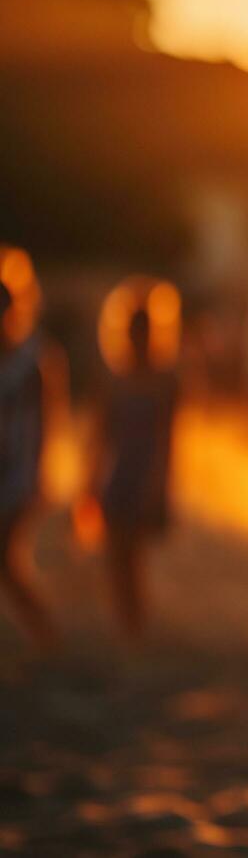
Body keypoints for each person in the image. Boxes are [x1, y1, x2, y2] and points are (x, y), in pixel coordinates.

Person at [90, 278, 181, 643]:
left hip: (147, 476)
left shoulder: (166, 381)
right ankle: (125, 626)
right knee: (116, 556)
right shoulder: (113, 379)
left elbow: (168, 439)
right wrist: (90, 483)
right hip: (117, 476)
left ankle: (136, 627)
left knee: (134, 557)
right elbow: (99, 438)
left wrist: (159, 487)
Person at [0, 245, 54, 653]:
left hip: (16, 474)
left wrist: (38, 475)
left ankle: (44, 634)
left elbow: (45, 427)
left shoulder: (33, 360)